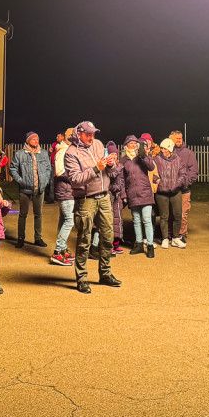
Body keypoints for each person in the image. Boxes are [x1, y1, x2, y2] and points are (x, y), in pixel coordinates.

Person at [64, 121, 121, 294]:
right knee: (84, 240)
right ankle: (82, 278)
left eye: (93, 133)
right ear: (79, 134)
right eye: (88, 134)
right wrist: (97, 168)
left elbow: (111, 173)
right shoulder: (71, 153)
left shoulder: (98, 144)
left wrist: (111, 165)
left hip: (104, 196)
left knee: (107, 237)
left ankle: (105, 274)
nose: (91, 137)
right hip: (85, 199)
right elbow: (75, 179)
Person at [117, 135, 157, 257]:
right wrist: (124, 194)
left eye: (135, 143)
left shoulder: (142, 156)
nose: (133, 145)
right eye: (131, 143)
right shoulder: (123, 160)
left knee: (147, 220)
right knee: (136, 220)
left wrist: (144, 155)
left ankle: (150, 246)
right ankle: (138, 244)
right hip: (132, 193)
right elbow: (122, 179)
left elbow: (151, 167)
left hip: (145, 192)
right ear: (126, 146)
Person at [10, 132, 51, 248]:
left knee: (38, 214)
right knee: (23, 214)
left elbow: (48, 168)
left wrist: (45, 181)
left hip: (40, 189)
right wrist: (20, 180)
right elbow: (12, 169)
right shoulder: (20, 154)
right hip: (25, 190)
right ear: (28, 141)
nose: (36, 141)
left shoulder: (43, 153)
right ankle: (21, 238)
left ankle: (38, 238)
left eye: (37, 138)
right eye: (33, 139)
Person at [154, 138, 186, 249]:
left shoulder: (178, 159)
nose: (163, 151)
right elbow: (153, 173)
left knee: (177, 215)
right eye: (162, 148)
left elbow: (183, 175)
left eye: (166, 149)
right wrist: (158, 182)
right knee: (164, 216)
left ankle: (175, 238)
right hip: (161, 192)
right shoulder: (157, 159)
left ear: (171, 149)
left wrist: (176, 185)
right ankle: (165, 238)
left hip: (175, 191)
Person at [50, 127, 75, 266]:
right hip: (65, 191)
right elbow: (60, 171)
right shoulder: (63, 150)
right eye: (70, 135)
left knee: (63, 220)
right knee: (70, 221)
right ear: (66, 136)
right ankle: (57, 252)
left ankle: (63, 248)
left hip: (67, 191)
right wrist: (76, 177)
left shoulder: (68, 149)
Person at [169, 131, 197, 244]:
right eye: (176, 138)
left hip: (183, 190)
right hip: (169, 189)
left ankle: (182, 233)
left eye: (180, 138)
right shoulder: (168, 152)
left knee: (182, 213)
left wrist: (185, 183)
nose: (179, 140)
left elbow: (193, 171)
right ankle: (170, 234)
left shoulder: (188, 153)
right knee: (170, 213)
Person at [46, 132, 65, 204]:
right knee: (52, 182)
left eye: (58, 136)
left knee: (60, 182)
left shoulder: (66, 145)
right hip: (54, 166)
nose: (57, 138)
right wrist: (50, 152)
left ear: (63, 137)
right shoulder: (54, 144)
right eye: (57, 136)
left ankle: (59, 197)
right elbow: (50, 153)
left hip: (61, 166)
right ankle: (51, 198)